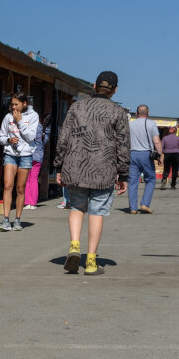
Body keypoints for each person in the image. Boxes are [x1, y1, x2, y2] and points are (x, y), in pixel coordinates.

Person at [53, 70, 129, 275]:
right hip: (103, 170)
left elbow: (64, 137)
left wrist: (59, 166)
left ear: (94, 87)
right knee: (97, 212)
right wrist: (123, 175)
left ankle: (74, 246)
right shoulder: (118, 112)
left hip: (75, 166)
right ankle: (91, 262)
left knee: (76, 207)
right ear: (114, 91)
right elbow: (123, 144)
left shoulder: (77, 107)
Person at [0, 92, 40, 230]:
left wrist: (20, 121)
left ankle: (18, 219)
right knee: (8, 185)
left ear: (24, 103)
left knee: (20, 188)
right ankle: (6, 219)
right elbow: (1, 137)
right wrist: (9, 140)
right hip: (10, 153)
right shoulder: (8, 117)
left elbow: (31, 136)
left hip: (26, 154)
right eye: (12, 104)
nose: (13, 107)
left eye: (16, 104)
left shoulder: (33, 116)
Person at [127, 104, 161, 214]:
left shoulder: (130, 125)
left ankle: (132, 208)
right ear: (148, 113)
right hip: (146, 155)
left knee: (132, 182)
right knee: (151, 179)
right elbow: (156, 141)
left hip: (132, 154)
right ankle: (145, 204)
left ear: (136, 114)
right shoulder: (151, 124)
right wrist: (160, 155)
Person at [24, 120, 49, 209]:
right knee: (34, 179)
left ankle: (27, 202)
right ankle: (33, 203)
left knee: (27, 179)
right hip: (39, 155)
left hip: (28, 154)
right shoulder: (42, 127)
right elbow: (45, 141)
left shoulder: (28, 125)